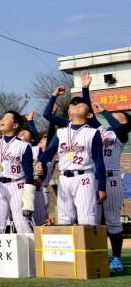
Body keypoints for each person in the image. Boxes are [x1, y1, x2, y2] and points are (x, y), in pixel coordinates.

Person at [37, 86, 107, 227]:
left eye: (81, 105)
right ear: (69, 114)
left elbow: (99, 161)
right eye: (74, 105)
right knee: (64, 218)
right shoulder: (61, 132)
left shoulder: (93, 133)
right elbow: (50, 151)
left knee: (86, 218)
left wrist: (102, 187)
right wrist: (40, 161)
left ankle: (88, 248)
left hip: (85, 177)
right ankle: (69, 249)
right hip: (64, 178)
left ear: (89, 115)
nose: (77, 105)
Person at [92, 102, 129, 272]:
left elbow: (120, 127)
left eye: (117, 117)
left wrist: (106, 112)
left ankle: (116, 258)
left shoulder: (121, 134)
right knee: (94, 220)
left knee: (113, 220)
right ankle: (98, 255)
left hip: (112, 180)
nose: (112, 118)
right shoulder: (101, 131)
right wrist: (85, 89)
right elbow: (89, 118)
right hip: (94, 179)